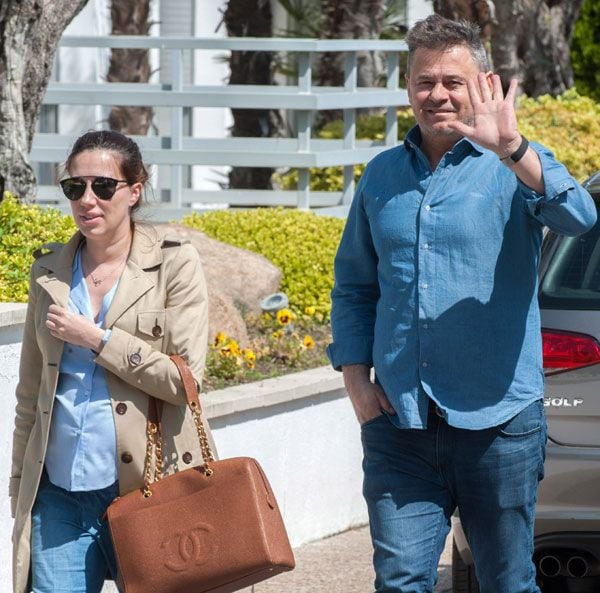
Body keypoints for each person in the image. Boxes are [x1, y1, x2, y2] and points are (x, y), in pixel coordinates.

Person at [328, 14, 596, 593]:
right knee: (400, 583)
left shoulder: (513, 165)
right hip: (400, 421)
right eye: (425, 81)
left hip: (499, 423)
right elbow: (355, 284)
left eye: (453, 81)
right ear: (408, 88)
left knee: (507, 583)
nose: (437, 95)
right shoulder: (381, 176)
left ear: (484, 85)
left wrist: (514, 148)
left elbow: (580, 216)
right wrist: (354, 376)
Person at [10, 130, 210, 593]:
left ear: (134, 190)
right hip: (57, 495)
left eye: (103, 186)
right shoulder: (48, 272)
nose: (87, 199)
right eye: (74, 187)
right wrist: (21, 486)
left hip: (148, 490)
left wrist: (98, 339)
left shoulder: (174, 265)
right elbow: (30, 393)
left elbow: (185, 383)